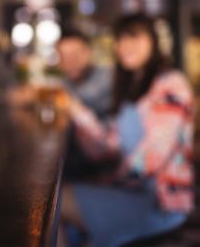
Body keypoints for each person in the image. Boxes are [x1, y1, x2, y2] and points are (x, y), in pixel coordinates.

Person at [58, 14, 195, 247]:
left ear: (153, 40)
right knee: (54, 200)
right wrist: (76, 111)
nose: (125, 45)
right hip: (132, 189)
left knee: (52, 203)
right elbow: (105, 148)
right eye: (120, 39)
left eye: (134, 36)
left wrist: (106, 180)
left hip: (161, 202)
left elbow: (152, 157)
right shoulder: (132, 88)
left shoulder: (170, 83)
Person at [56, 32, 114, 181]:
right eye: (64, 56)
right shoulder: (66, 81)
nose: (70, 61)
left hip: (105, 171)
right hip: (78, 165)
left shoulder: (109, 77)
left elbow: (89, 98)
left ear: (90, 52)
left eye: (75, 54)